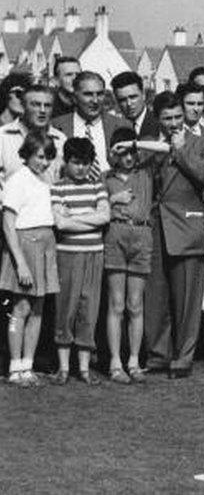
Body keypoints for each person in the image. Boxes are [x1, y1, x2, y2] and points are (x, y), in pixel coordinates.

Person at [142, 91, 204, 378]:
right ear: (157, 118)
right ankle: (158, 355)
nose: (174, 123)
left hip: (187, 226)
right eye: (167, 118)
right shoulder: (149, 144)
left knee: (187, 297)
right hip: (154, 227)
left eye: (178, 117)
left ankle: (183, 358)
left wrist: (180, 150)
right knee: (155, 296)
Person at [50, 138, 110, 385]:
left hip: (94, 254)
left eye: (86, 163)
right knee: (66, 308)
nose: (81, 168)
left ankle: (84, 369)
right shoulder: (57, 188)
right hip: (67, 255)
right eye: (76, 163)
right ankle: (64, 368)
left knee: (89, 308)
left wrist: (74, 218)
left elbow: (105, 216)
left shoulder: (98, 186)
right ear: (66, 162)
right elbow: (60, 223)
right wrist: (90, 217)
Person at [1, 133, 59, 387]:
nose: (44, 162)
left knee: (37, 309)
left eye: (48, 157)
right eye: (40, 157)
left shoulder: (44, 179)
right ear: (27, 154)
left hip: (46, 243)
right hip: (25, 246)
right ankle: (15, 368)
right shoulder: (17, 180)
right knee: (21, 308)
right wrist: (21, 262)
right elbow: (8, 224)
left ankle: (27, 365)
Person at [103, 128, 155, 384]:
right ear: (113, 153)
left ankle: (134, 360)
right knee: (117, 304)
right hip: (115, 235)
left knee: (136, 304)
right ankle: (115, 361)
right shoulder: (106, 177)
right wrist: (114, 198)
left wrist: (133, 141)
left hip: (142, 235)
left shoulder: (145, 173)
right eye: (121, 151)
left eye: (131, 151)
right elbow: (94, 205)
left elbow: (168, 148)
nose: (128, 157)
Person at [51, 71, 128, 179]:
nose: (95, 101)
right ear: (74, 96)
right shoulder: (57, 126)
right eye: (88, 94)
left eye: (100, 94)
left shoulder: (121, 125)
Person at [0, 84, 67, 182]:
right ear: (23, 107)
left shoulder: (60, 139)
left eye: (47, 106)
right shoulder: (2, 137)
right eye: (36, 105)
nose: (42, 110)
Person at [111, 71, 162, 138]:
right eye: (123, 100)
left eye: (133, 97)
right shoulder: (115, 129)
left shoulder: (160, 124)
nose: (129, 104)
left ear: (143, 95)